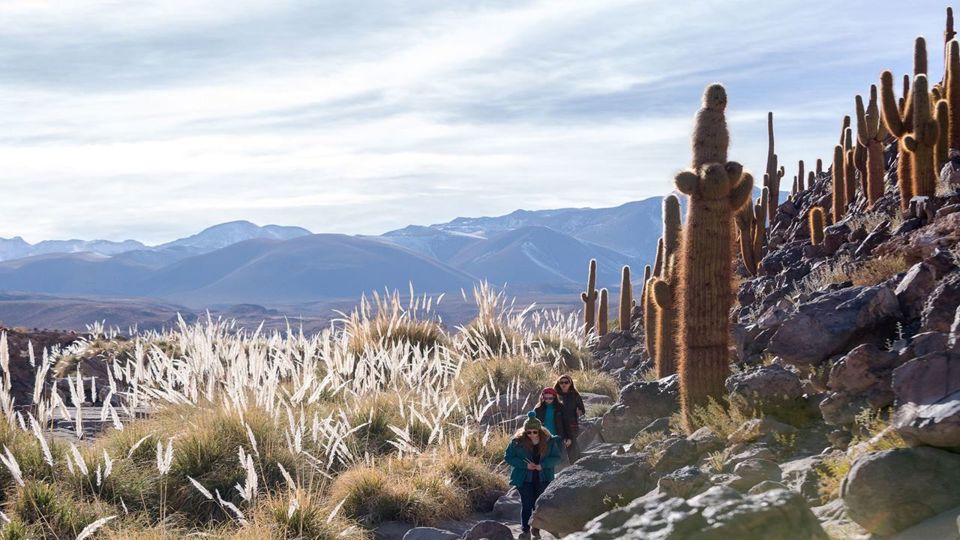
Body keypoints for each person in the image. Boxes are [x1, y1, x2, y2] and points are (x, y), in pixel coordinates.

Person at [504, 411, 562, 540]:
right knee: (527, 504)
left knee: (539, 505)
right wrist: (525, 465)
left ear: (539, 431)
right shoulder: (517, 442)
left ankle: (536, 529)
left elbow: (557, 458)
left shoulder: (549, 441)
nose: (531, 434)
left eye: (534, 432)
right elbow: (508, 457)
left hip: (543, 478)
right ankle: (525, 530)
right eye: (528, 432)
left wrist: (543, 465)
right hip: (524, 479)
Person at [554, 374, 586, 463]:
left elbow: (582, 410)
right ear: (558, 384)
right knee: (560, 444)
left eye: (566, 382)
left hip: (572, 424)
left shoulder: (575, 395)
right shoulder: (555, 395)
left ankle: (576, 464)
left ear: (570, 383)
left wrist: (579, 412)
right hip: (559, 424)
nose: (564, 384)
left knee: (572, 444)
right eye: (561, 382)